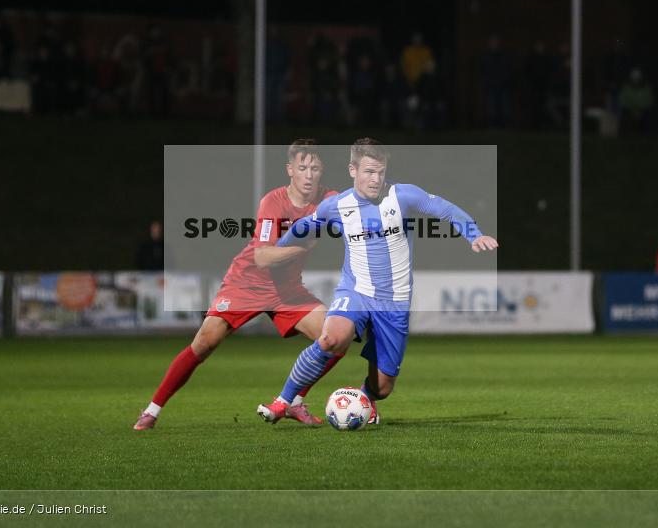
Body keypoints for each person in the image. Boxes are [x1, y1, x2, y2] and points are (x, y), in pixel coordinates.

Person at [256, 138, 499, 425]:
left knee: (382, 387)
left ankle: (363, 400)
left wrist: (474, 235)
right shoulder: (337, 205)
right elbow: (304, 226)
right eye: (369, 172)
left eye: (381, 172)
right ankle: (285, 401)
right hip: (355, 291)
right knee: (332, 338)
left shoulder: (403, 196)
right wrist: (281, 249)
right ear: (352, 170)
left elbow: (446, 209)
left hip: (394, 302)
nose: (376, 179)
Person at [134, 140, 339, 430]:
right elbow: (263, 256)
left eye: (314, 168)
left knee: (336, 339)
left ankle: (293, 402)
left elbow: (357, 205)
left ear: (322, 171)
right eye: (302, 167)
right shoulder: (273, 201)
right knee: (205, 343)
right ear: (290, 170)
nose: (308, 174)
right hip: (247, 282)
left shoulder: (328, 199)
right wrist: (301, 248)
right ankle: (152, 410)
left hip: (287, 289)